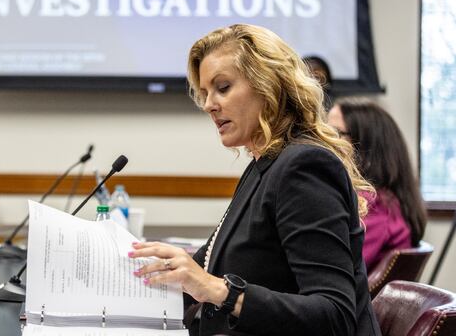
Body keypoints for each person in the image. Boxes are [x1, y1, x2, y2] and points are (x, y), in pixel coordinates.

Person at [129, 24, 380, 336]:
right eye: (205, 93)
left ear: (268, 86)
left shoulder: (303, 167)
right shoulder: (264, 165)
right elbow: (202, 268)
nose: (209, 104)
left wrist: (219, 290)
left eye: (222, 88)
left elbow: (334, 316)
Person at [327, 99, 427, 272]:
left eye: (335, 133)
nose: (324, 141)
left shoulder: (374, 205)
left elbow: (334, 269)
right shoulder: (389, 200)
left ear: (366, 144)